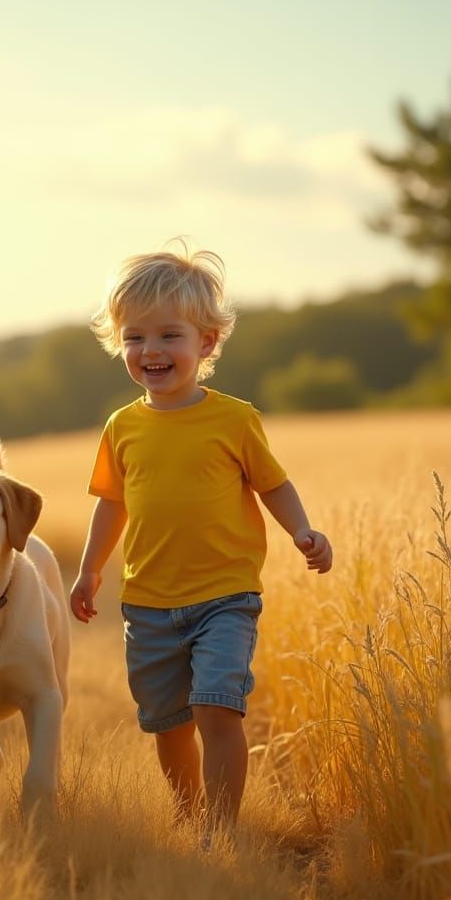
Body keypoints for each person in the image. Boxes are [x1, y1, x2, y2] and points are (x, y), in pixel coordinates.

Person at [69, 239, 333, 833]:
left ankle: (219, 832)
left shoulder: (234, 419)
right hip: (149, 603)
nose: (151, 350)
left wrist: (303, 531)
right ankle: (189, 819)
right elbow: (112, 503)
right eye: (135, 337)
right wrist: (88, 570)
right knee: (168, 725)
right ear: (120, 344)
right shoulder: (123, 427)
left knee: (218, 708)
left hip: (225, 596)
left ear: (206, 342)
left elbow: (273, 485)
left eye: (169, 335)